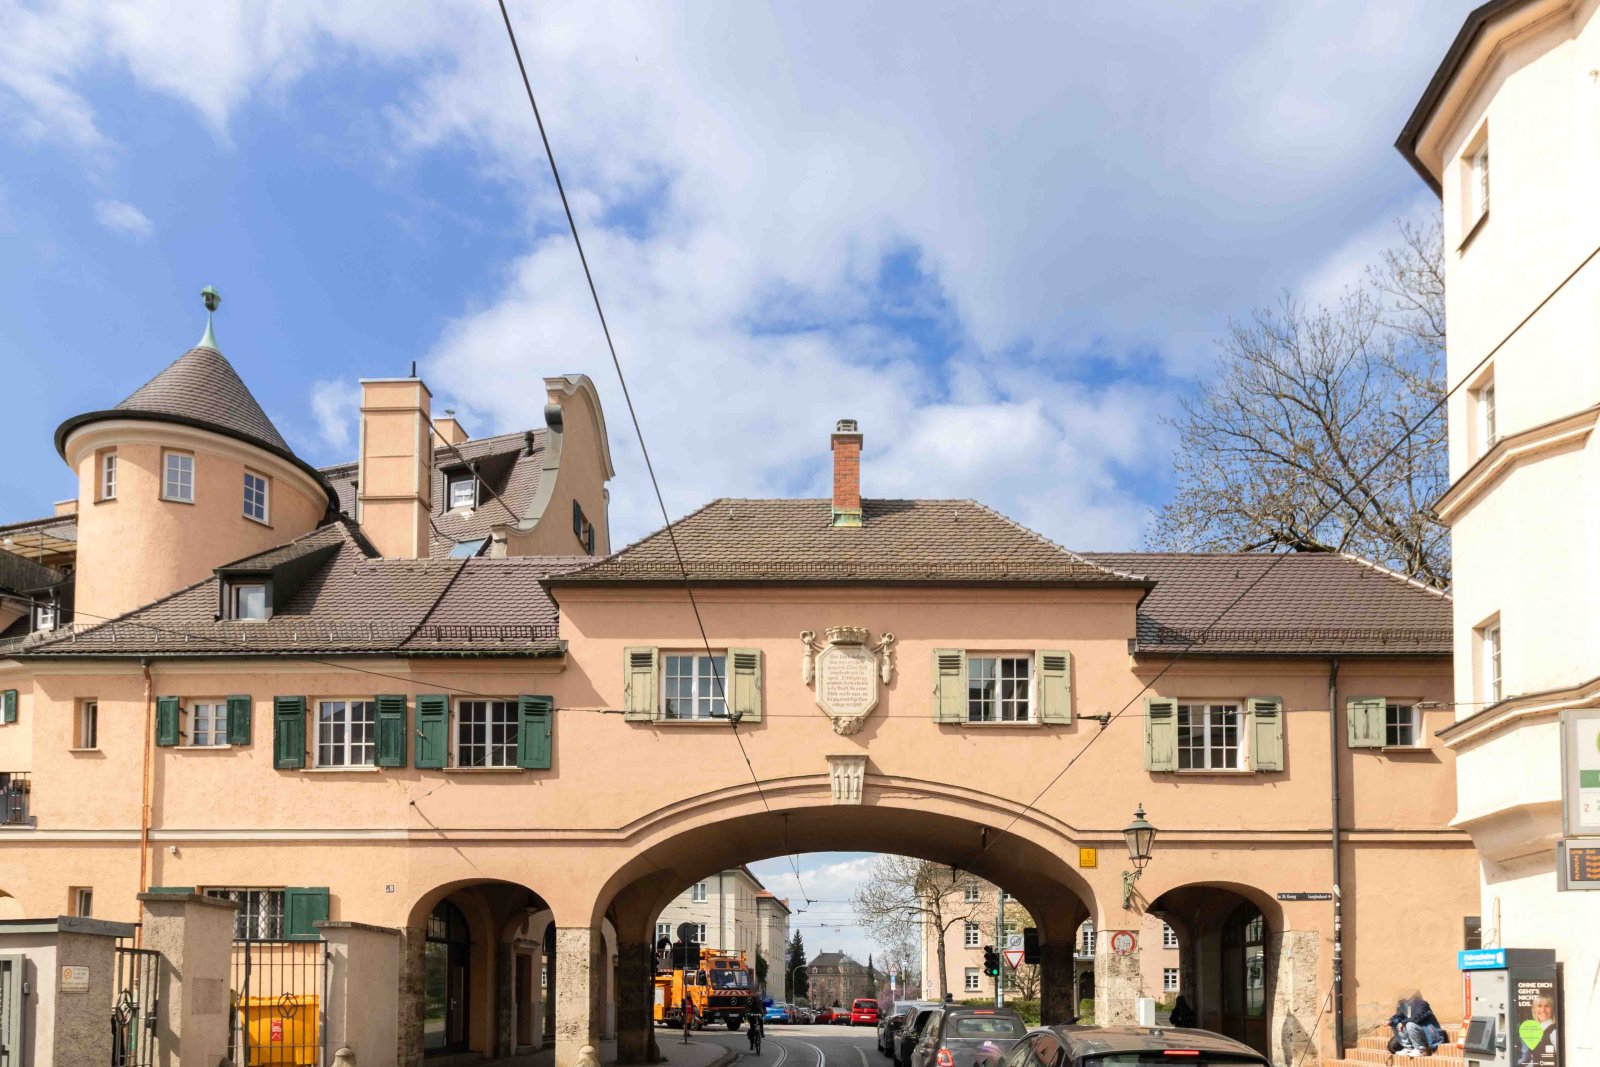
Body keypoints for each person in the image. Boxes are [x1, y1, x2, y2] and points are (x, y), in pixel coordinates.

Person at [1388, 992, 1440, 1058]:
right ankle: (1408, 1048)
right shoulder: (1404, 1006)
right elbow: (1398, 1016)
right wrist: (1390, 1021)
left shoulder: (1422, 1004)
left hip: (1428, 1032)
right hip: (1416, 1032)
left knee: (1409, 1025)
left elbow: (1418, 1017)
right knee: (1395, 1023)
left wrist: (1404, 1022)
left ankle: (1421, 1050)